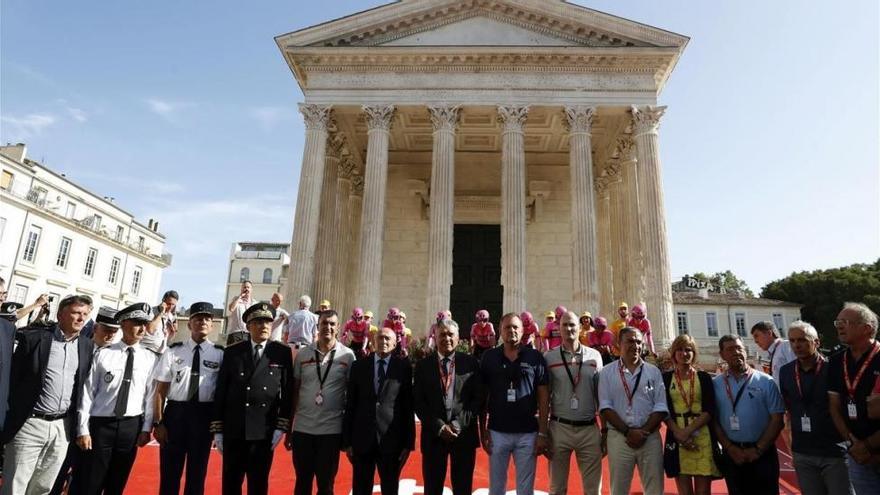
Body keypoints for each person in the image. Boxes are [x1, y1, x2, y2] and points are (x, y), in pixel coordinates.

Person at [1, 294, 93, 495]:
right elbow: (12, 379)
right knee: (15, 486)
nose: (81, 318)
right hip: (29, 423)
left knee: (44, 487)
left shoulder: (86, 346)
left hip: (63, 428)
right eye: (76, 313)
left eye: (85, 314)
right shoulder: (34, 339)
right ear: (61, 314)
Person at [75, 302, 160, 495]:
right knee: (91, 482)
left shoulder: (150, 358)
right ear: (123, 324)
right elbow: (88, 393)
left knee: (117, 483)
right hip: (101, 425)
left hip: (131, 426)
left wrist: (146, 429)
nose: (142, 328)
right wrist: (83, 429)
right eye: (137, 322)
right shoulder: (104, 354)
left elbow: (150, 397)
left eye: (145, 323)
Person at [212, 302, 292, 495]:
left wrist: (281, 427)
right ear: (248, 326)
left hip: (263, 432)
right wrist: (218, 429)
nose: (263, 326)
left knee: (258, 485)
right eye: (257, 322)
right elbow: (221, 391)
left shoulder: (281, 352)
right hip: (235, 430)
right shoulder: (233, 352)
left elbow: (288, 393)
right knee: (231, 485)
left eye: (267, 321)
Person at [152, 302, 224, 495]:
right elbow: (160, 390)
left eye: (207, 319)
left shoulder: (220, 354)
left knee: (197, 474)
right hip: (175, 415)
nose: (202, 322)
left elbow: (222, 394)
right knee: (169, 473)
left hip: (204, 416)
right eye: (198, 318)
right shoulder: (173, 351)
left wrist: (219, 426)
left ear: (212, 325)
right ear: (190, 324)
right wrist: (158, 422)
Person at [50, 306, 120, 495]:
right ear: (96, 327)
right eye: (107, 330)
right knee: (56, 472)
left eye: (114, 331)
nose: (110, 335)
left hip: (94, 426)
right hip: (67, 419)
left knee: (85, 477)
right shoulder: (79, 347)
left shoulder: (116, 356)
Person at [479, 312, 550, 495]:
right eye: (507, 327)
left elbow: (543, 396)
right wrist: (483, 430)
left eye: (515, 327)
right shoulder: (489, 357)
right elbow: (483, 396)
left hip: (527, 433)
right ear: (500, 331)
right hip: (497, 432)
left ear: (523, 330)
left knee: (525, 490)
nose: (512, 330)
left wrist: (543, 431)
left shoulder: (535, 357)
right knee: (496, 487)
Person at [286, 309, 355, 495]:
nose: (328, 327)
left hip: (331, 432)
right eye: (324, 323)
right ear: (318, 326)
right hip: (303, 430)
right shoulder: (302, 355)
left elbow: (352, 398)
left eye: (332, 324)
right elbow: (294, 392)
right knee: (302, 483)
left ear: (338, 327)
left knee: (326, 485)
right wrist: (289, 429)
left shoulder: (348, 356)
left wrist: (348, 435)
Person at [779, 320, 851, 495]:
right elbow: (788, 411)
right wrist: (791, 445)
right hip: (803, 453)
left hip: (834, 451)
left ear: (816, 342)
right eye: (793, 341)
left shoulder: (834, 369)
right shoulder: (786, 372)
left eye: (802, 340)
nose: (797, 345)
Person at [414, 318, 483, 495]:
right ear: (435, 338)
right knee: (432, 488)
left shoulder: (471, 364)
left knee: (462, 488)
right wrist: (439, 426)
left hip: (464, 435)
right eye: (442, 334)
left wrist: (458, 424)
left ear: (458, 337)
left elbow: (477, 399)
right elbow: (418, 402)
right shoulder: (423, 366)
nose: (447, 338)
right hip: (434, 436)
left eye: (450, 334)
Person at [343, 327, 415, 495]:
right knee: (361, 488)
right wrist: (346, 441)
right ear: (374, 341)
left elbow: (407, 406)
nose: (383, 342)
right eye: (380, 338)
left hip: (391, 440)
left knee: (390, 488)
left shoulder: (403, 368)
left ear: (395, 343)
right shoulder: (358, 366)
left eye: (387, 339)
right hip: (362, 440)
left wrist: (408, 443)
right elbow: (351, 404)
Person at [598, 326, 668, 495]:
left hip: (649, 438)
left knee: (655, 489)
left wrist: (643, 432)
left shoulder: (653, 371)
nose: (635, 346)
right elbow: (605, 406)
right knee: (618, 490)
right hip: (620, 438)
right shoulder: (607, 372)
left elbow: (660, 406)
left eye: (638, 342)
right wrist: (628, 432)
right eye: (630, 341)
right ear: (618, 344)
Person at [711, 335, 784, 495]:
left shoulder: (766, 381)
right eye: (730, 349)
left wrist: (758, 449)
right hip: (732, 454)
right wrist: (730, 448)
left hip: (763, 454)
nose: (736, 352)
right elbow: (713, 420)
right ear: (722, 355)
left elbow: (777, 420)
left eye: (739, 348)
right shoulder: (715, 385)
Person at [545, 311, 604, 495]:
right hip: (559, 428)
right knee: (557, 488)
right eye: (565, 325)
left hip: (589, 429)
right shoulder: (549, 357)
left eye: (572, 325)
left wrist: (606, 431)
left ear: (580, 328)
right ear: (558, 329)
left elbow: (601, 396)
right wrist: (543, 431)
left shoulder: (594, 356)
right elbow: (544, 397)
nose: (569, 328)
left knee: (593, 489)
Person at [827, 302, 880, 492]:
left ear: (867, 328)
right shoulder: (835, 361)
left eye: (846, 321)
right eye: (838, 322)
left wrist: (867, 444)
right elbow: (834, 406)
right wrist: (852, 443)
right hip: (857, 453)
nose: (840, 326)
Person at [662, 335, 720, 495]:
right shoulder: (666, 378)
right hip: (676, 433)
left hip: (702, 434)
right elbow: (664, 409)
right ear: (674, 353)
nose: (684, 353)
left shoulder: (704, 377)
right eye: (680, 349)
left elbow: (710, 409)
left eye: (688, 349)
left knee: (703, 491)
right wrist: (678, 433)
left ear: (694, 353)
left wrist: (686, 432)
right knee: (684, 492)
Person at [751, 320, 796, 386]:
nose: (755, 341)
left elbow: (796, 372)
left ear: (769, 333)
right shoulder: (775, 351)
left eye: (756, 336)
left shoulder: (786, 346)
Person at [226, 281, 254, 345]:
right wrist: (240, 296)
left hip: (248, 334)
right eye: (244, 287)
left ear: (251, 289)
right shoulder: (236, 299)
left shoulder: (254, 303)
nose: (246, 289)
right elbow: (231, 309)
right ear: (241, 289)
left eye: (248, 287)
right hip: (235, 333)